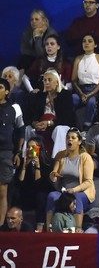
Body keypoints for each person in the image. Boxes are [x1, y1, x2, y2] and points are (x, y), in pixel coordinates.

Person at [47, 128, 95, 231]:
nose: (70, 140)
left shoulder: (85, 157)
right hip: (65, 192)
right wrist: (53, 176)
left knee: (76, 197)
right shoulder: (61, 157)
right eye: (68, 138)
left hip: (82, 192)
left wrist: (74, 190)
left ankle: (77, 229)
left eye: (73, 138)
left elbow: (88, 182)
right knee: (51, 196)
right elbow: (53, 175)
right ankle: (49, 229)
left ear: (79, 142)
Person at [27, 68, 75, 155]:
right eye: (44, 80)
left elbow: (67, 117)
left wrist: (49, 123)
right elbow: (34, 113)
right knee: (28, 129)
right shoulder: (40, 95)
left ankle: (57, 159)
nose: (46, 82)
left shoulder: (65, 95)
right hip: (43, 125)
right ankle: (30, 158)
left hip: (60, 125)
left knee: (58, 130)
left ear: (57, 82)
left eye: (49, 80)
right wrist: (35, 123)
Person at [16, 136, 52, 232]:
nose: (30, 149)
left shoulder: (46, 163)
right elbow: (19, 183)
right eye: (28, 147)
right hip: (27, 193)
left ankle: (40, 226)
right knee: (16, 193)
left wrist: (37, 166)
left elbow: (40, 184)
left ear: (39, 148)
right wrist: (24, 166)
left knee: (40, 196)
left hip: (41, 193)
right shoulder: (23, 162)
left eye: (33, 147)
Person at [0, 78, 22, 226]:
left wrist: (18, 151)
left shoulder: (15, 107)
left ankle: (1, 227)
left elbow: (20, 130)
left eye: (0, 87)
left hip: (6, 152)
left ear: (7, 91)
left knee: (2, 191)